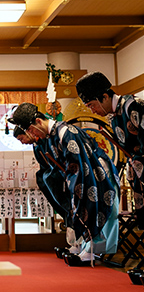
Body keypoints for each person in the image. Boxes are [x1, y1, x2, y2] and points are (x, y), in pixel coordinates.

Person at [9, 102, 120, 265]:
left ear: (39, 122)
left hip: (95, 172)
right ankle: (86, 247)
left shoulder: (65, 132)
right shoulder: (50, 136)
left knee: (94, 206)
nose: (31, 134)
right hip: (77, 174)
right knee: (77, 206)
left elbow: (79, 164)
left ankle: (93, 250)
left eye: (30, 130)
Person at [76, 71, 144, 228]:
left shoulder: (133, 106)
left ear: (105, 97)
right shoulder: (113, 116)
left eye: (92, 105)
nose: (93, 111)